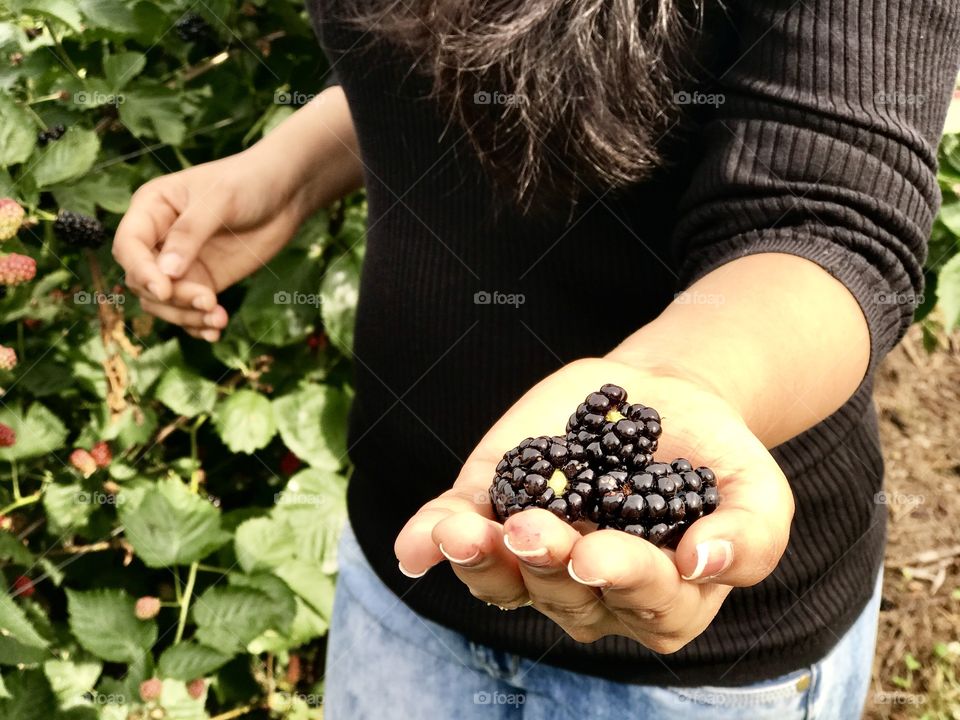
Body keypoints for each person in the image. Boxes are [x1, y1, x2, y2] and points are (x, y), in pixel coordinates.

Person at [113, 0, 960, 717]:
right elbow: (454, 53)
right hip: (404, 567)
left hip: (697, 670)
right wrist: (289, 168)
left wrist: (681, 384)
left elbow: (831, 216)